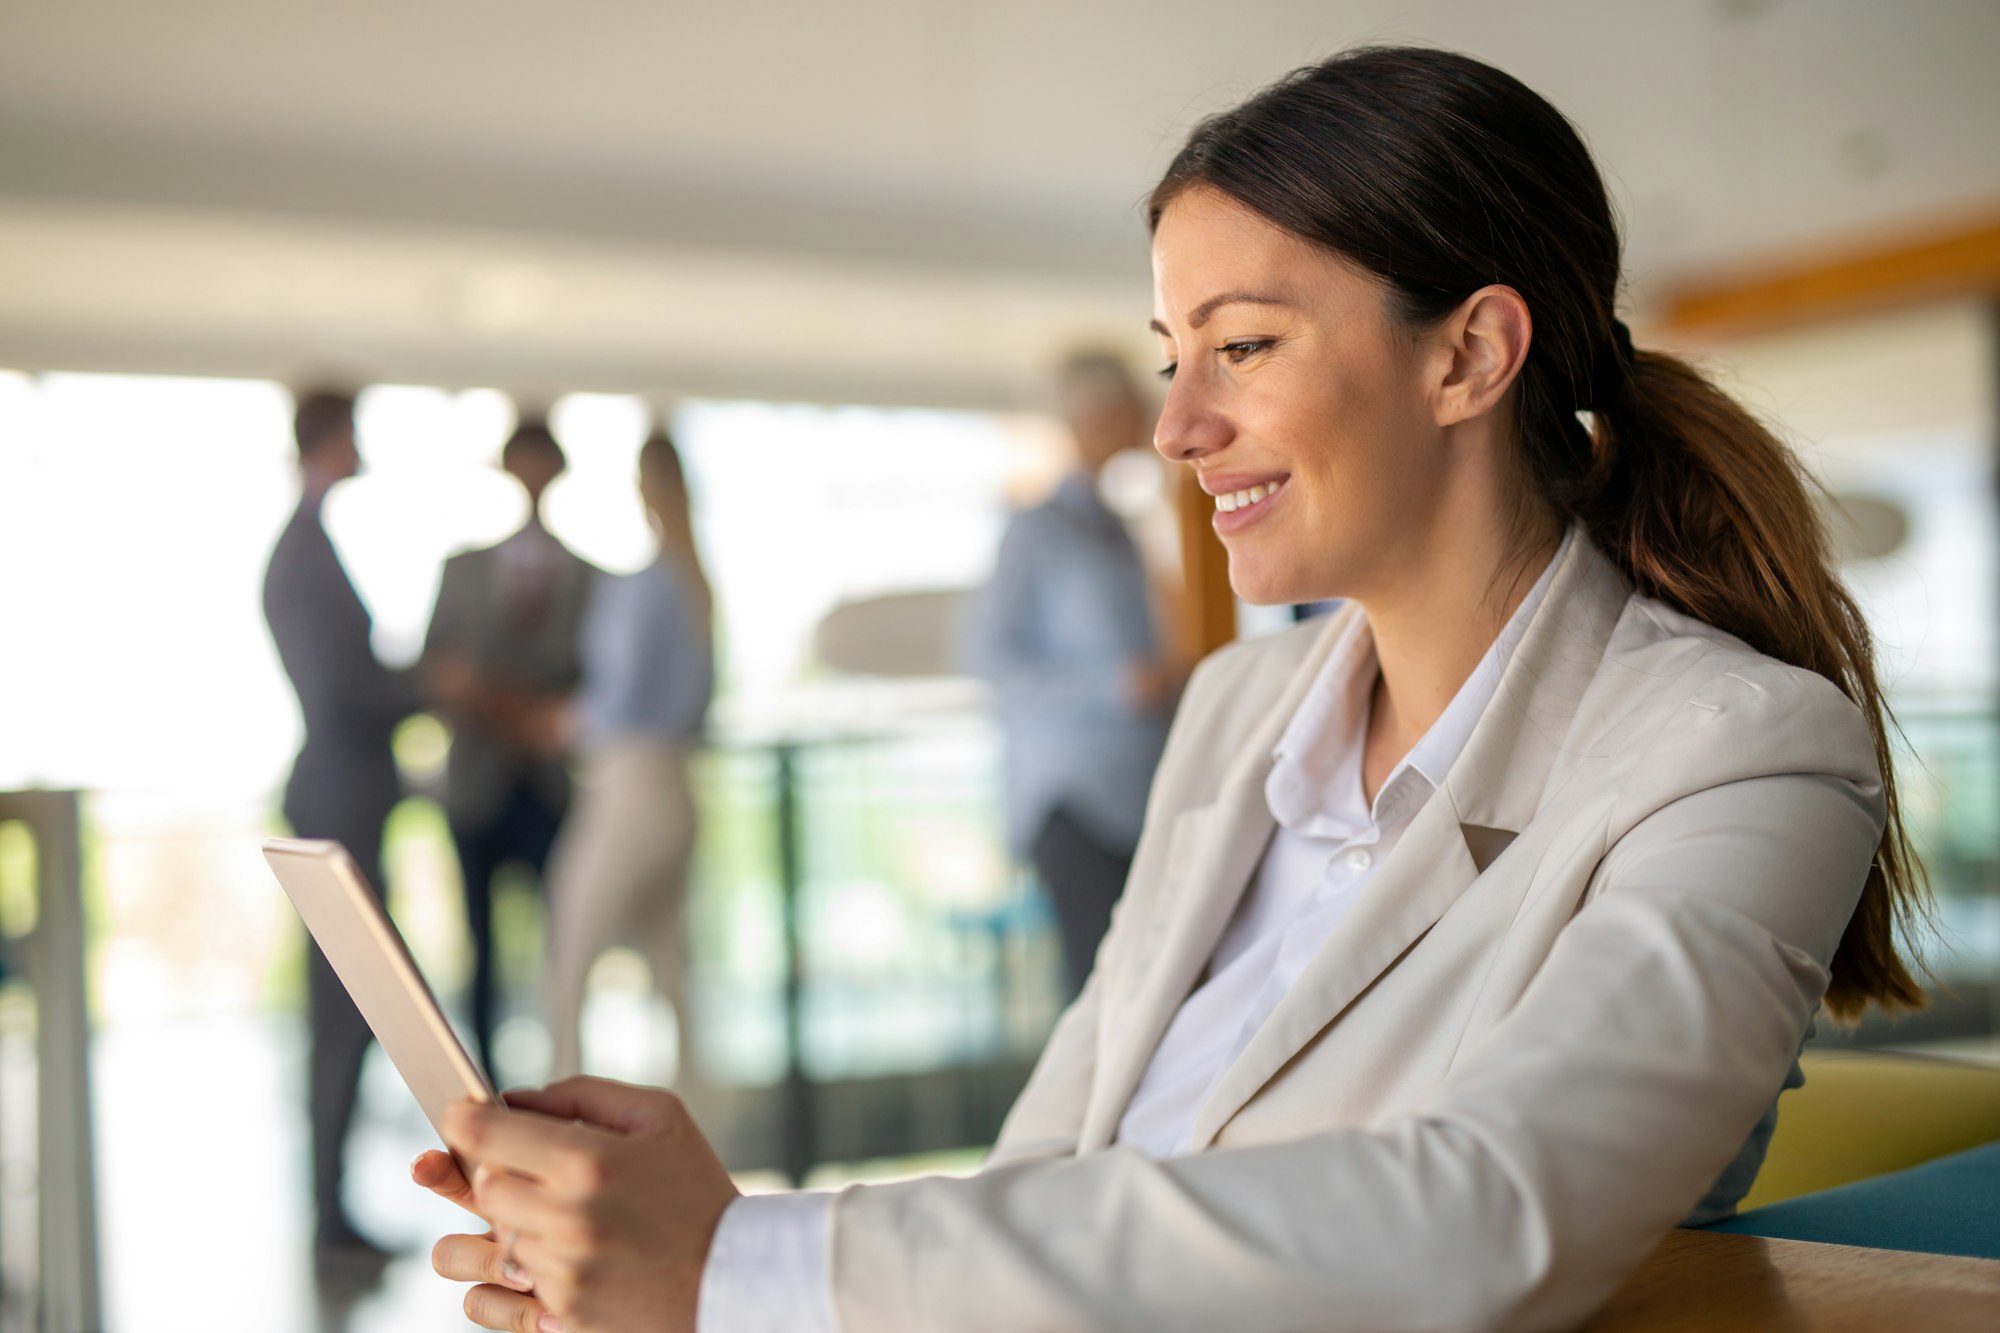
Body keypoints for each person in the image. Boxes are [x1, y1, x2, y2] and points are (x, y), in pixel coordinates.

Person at [411, 47, 1928, 1333]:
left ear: (1470, 353)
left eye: (1242, 347)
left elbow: (1490, 1209)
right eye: (1170, 357)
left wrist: (745, 1264)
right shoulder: (1235, 719)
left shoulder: (1740, 756)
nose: (1178, 427)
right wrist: (682, 1260)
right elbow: (1049, 1174)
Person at [260, 388, 422, 1261]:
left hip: (345, 803)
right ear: (328, 439)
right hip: (338, 806)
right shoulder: (303, 553)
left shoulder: (310, 549)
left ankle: (334, 1211)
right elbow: (349, 691)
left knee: (348, 1013)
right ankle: (329, 1216)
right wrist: (435, 683)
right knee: (343, 1012)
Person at [966, 353, 1181, 1001]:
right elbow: (989, 659)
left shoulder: (1121, 530)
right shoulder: (1035, 531)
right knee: (1097, 994)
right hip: (1075, 803)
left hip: (1140, 798)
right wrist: (1115, 684)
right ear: (1095, 418)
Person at [423, 421, 597, 1081]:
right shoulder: (462, 568)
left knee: (564, 945)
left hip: (549, 787)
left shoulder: (585, 576)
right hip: (475, 787)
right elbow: (433, 671)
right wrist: (491, 701)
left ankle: (563, 1081)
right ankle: (483, 1087)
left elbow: (588, 684)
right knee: (480, 952)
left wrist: (504, 699)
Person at [542, 433, 716, 1083]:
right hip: (678, 788)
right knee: (672, 975)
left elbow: (618, 693)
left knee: (570, 954)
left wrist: (560, 720)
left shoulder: (649, 585)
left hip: (630, 784)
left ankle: (558, 1119)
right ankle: (701, 1137)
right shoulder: (697, 583)